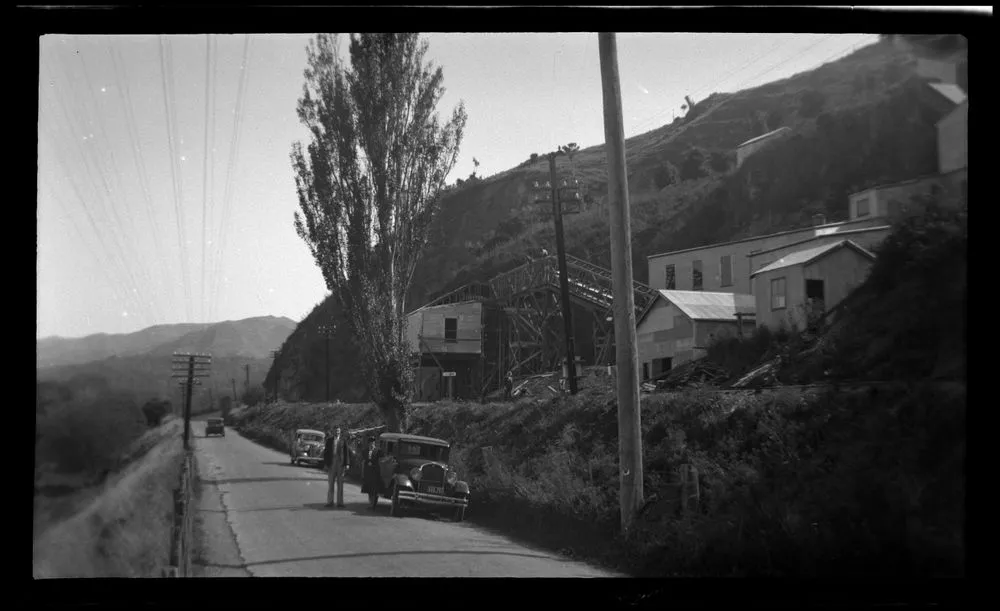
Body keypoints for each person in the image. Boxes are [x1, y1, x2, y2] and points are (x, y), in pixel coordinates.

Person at [324, 426, 351, 508]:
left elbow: (346, 452)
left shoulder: (343, 440)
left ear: (340, 432)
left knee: (340, 484)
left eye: (338, 431)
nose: (337, 432)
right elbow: (326, 452)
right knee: (331, 483)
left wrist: (347, 464)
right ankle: (330, 501)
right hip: (332, 462)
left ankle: (340, 502)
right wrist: (326, 464)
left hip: (340, 463)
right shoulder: (329, 440)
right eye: (336, 431)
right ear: (333, 431)